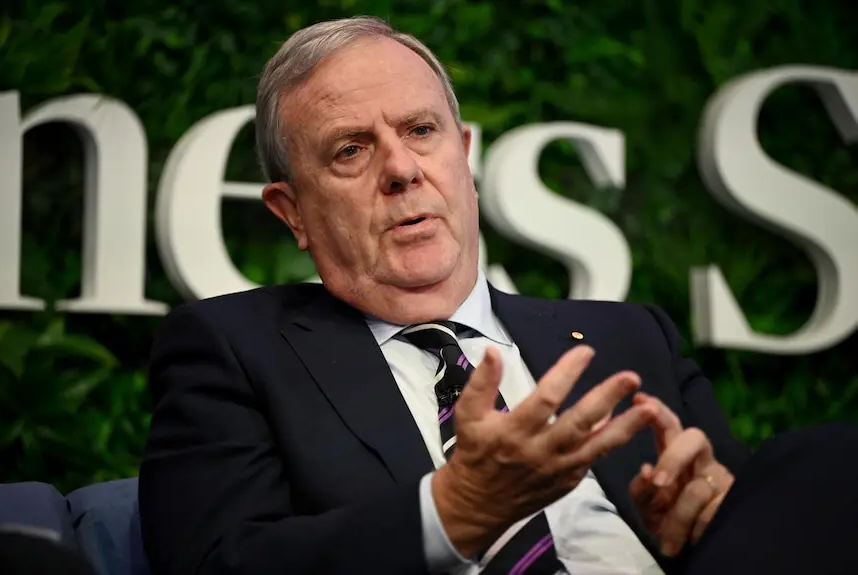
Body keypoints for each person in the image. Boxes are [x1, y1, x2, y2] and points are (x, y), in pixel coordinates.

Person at [138, 15, 858, 575]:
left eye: (422, 131)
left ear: (465, 156)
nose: (402, 169)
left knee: (829, 459)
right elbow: (216, 563)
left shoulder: (632, 336)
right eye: (351, 149)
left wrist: (706, 516)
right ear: (291, 211)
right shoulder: (233, 349)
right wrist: (452, 511)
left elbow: (737, 523)